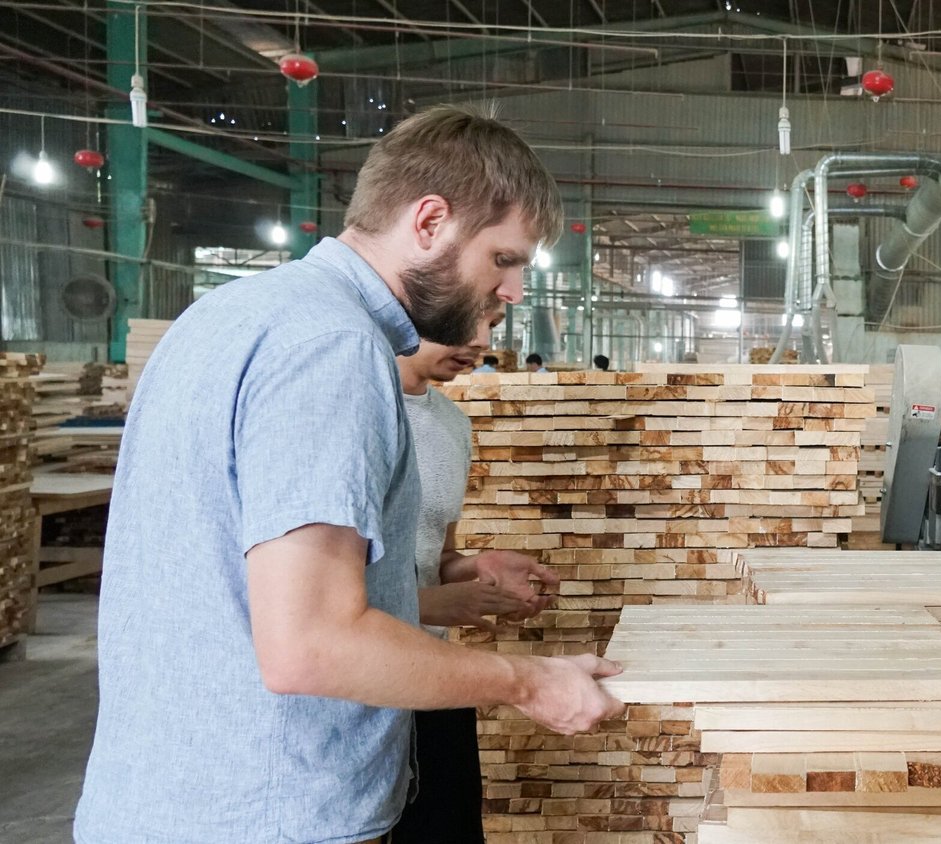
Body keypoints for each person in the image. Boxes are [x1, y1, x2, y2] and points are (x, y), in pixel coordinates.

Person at [75, 106, 624, 844]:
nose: (514, 290)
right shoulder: (334, 346)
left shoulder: (229, 315)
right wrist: (527, 681)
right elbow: (312, 644)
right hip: (270, 813)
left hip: (161, 799)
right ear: (429, 221)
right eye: (503, 258)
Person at [391, 323, 545, 843]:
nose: (481, 341)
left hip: (432, 680)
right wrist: (430, 603)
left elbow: (437, 555)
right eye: (467, 319)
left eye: (492, 325)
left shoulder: (452, 424)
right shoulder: (350, 415)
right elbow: (313, 603)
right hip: (357, 686)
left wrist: (480, 568)